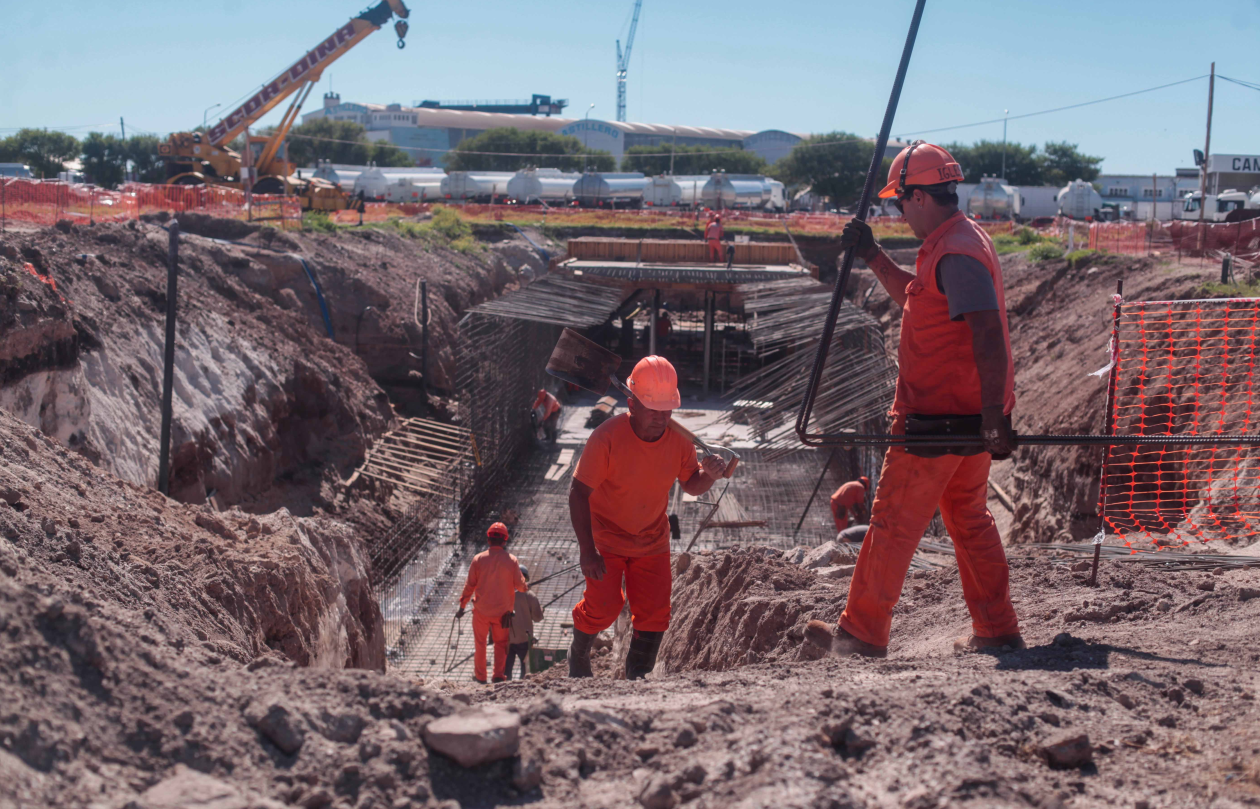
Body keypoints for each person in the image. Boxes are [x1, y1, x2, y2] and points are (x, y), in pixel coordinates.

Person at [805, 140, 1023, 659]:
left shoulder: (956, 252)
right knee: (969, 519)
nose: (898, 214)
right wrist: (873, 255)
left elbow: (988, 332)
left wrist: (993, 414)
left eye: (899, 204)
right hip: (964, 418)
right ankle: (997, 629)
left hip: (939, 421)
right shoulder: (956, 242)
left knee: (892, 523)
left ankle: (859, 635)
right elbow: (918, 300)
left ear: (920, 196)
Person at [568, 355, 727, 679]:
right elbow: (577, 493)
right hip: (607, 537)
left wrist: (709, 475)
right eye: (653, 410)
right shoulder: (606, 438)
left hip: (651, 538)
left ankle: (636, 680)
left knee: (655, 614)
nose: (661, 418)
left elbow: (692, 484)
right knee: (603, 608)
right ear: (632, 405)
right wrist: (587, 551)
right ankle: (579, 651)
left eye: (667, 410)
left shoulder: (680, 441)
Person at [457, 523, 528, 683]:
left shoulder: (478, 559)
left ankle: (481, 677)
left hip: (481, 612)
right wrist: (525, 585)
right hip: (503, 614)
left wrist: (462, 607)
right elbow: (521, 587)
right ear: (505, 541)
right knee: (501, 644)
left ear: (488, 540)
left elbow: (469, 586)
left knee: (480, 644)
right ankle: (498, 675)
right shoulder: (512, 561)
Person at [505, 565, 544, 680]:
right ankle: (522, 689)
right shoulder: (529, 595)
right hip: (524, 639)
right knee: (525, 668)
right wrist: (540, 610)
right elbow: (537, 618)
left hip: (506, 638)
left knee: (506, 670)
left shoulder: (502, 594)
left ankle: (504, 689)